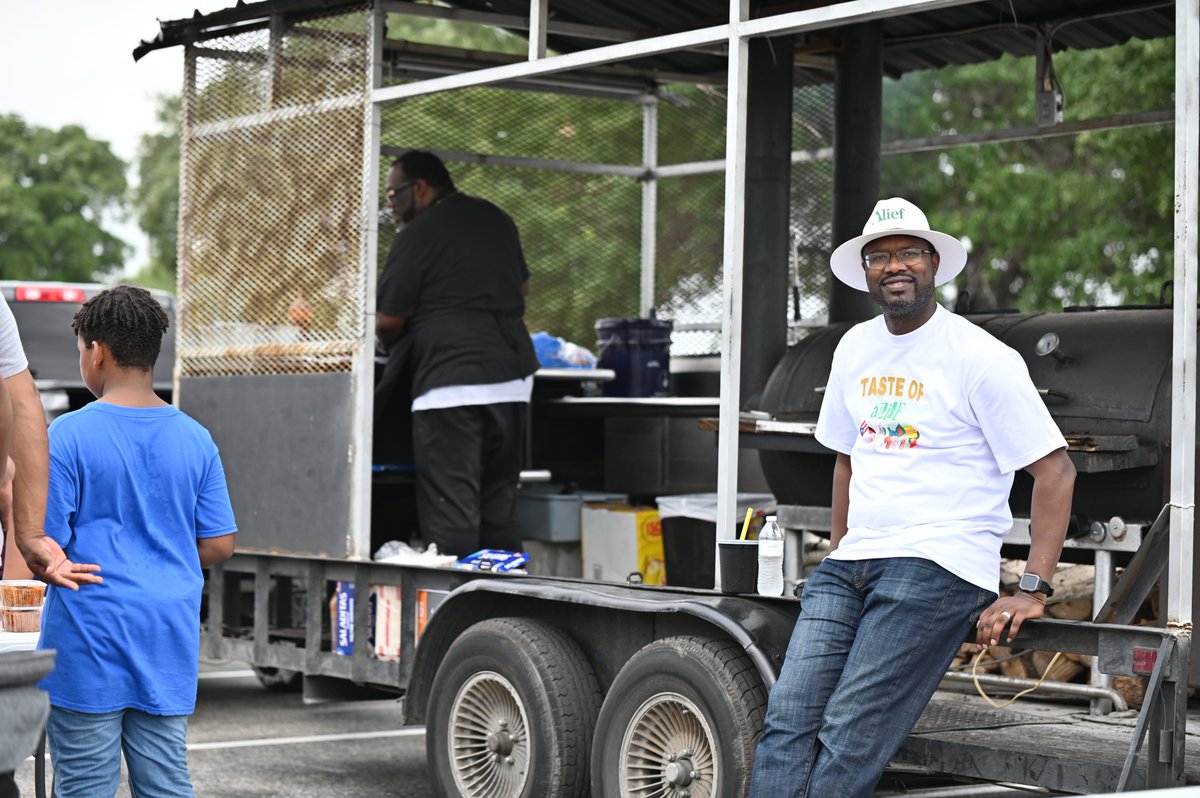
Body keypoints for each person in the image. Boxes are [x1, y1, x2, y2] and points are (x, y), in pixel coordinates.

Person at [748, 197, 1077, 798]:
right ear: (867, 271)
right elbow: (848, 459)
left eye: (907, 253)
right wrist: (843, 548)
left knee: (850, 735)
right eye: (880, 256)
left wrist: (1032, 589)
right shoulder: (853, 348)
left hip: (937, 565)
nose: (893, 265)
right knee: (785, 723)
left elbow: (1054, 472)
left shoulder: (982, 358)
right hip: (849, 567)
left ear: (933, 264)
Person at [25, 286, 237, 798]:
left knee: (84, 784)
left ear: (96, 351)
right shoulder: (196, 437)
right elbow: (221, 543)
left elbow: (47, 543)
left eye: (80, 352)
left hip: (89, 635)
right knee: (165, 783)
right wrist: (162, 557)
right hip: (166, 633)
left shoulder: (69, 434)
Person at [375, 150, 539, 557]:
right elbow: (521, 290)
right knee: (499, 510)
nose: (392, 206)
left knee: (453, 514)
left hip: (451, 386)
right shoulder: (495, 218)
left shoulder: (417, 234)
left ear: (422, 188)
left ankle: (452, 614)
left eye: (394, 195)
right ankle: (505, 612)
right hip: (512, 381)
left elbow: (388, 321)